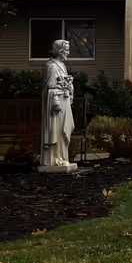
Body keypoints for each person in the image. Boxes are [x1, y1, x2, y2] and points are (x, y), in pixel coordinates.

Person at [38, 38, 77, 172]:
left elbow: (61, 83)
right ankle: (53, 159)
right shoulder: (51, 65)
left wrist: (69, 84)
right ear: (60, 50)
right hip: (56, 104)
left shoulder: (62, 65)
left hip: (64, 101)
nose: (68, 52)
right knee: (56, 130)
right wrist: (62, 86)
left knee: (65, 129)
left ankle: (62, 157)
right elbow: (49, 86)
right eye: (66, 49)